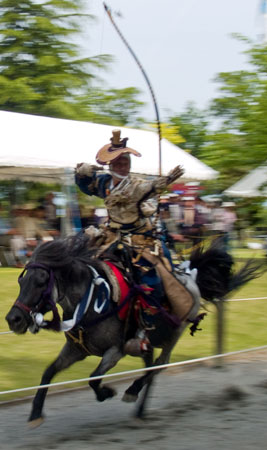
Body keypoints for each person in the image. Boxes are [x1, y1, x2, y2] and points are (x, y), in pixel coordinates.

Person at [75, 129, 186, 356]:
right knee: (79, 261)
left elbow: (150, 188)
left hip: (139, 239)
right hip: (110, 235)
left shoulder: (137, 184)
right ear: (110, 164)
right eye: (117, 162)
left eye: (125, 162)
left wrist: (164, 182)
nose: (122, 166)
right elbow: (84, 184)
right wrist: (81, 171)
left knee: (151, 279)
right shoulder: (103, 182)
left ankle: (146, 330)